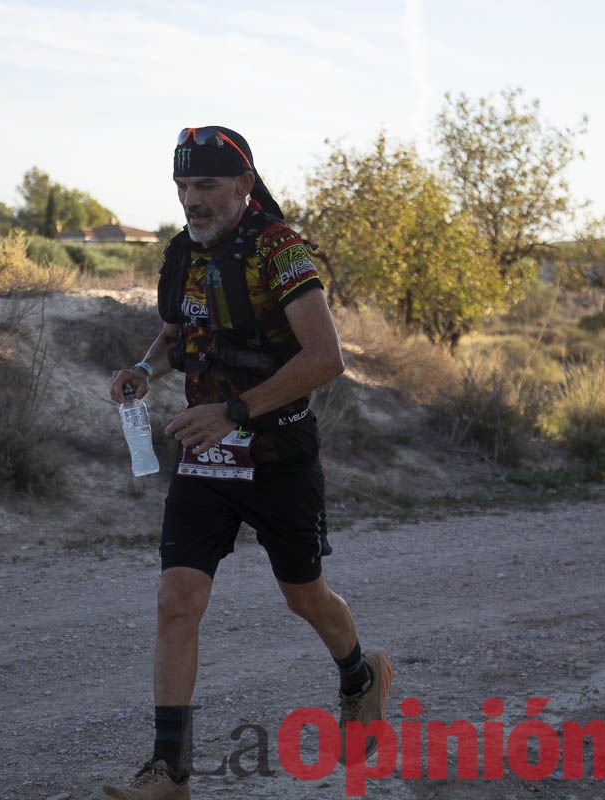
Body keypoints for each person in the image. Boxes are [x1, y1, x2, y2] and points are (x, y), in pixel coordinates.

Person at [101, 127, 392, 799]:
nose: (192, 201)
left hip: (277, 454)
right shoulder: (190, 254)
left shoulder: (280, 251)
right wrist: (146, 369)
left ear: (243, 184)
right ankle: (169, 773)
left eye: (205, 186)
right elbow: (182, 328)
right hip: (205, 457)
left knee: (304, 597)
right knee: (177, 598)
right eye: (182, 187)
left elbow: (325, 358)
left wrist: (233, 411)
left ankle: (361, 674)